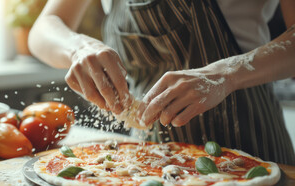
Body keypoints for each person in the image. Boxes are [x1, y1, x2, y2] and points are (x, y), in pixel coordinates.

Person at [28, 0, 295, 165]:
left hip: (251, 143)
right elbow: (44, 27)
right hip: (145, 159)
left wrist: (225, 74)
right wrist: (78, 48)